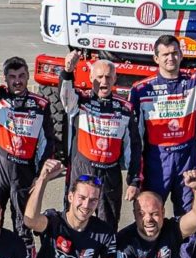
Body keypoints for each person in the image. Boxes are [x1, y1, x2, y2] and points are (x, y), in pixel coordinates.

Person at [128, 21, 196, 214]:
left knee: (189, 212)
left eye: (175, 53)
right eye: (165, 54)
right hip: (156, 159)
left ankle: (184, 236)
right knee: (150, 211)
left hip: (186, 157)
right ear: (156, 58)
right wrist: (134, 174)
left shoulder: (194, 82)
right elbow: (133, 137)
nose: (171, 58)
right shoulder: (141, 90)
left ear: (181, 55)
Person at [0, 21, 55, 247]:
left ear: (28, 76)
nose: (18, 81)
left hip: (24, 172)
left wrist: (39, 174)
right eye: (12, 77)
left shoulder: (41, 104)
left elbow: (47, 142)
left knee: (23, 226)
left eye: (21, 75)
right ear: (6, 79)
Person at [59, 50, 141, 227]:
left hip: (110, 173)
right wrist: (67, 71)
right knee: (75, 219)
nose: (104, 82)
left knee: (108, 224)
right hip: (82, 168)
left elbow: (134, 146)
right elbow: (65, 94)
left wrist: (134, 180)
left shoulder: (125, 108)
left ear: (115, 79)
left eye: (108, 77)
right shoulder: (79, 101)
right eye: (99, 77)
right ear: (90, 78)